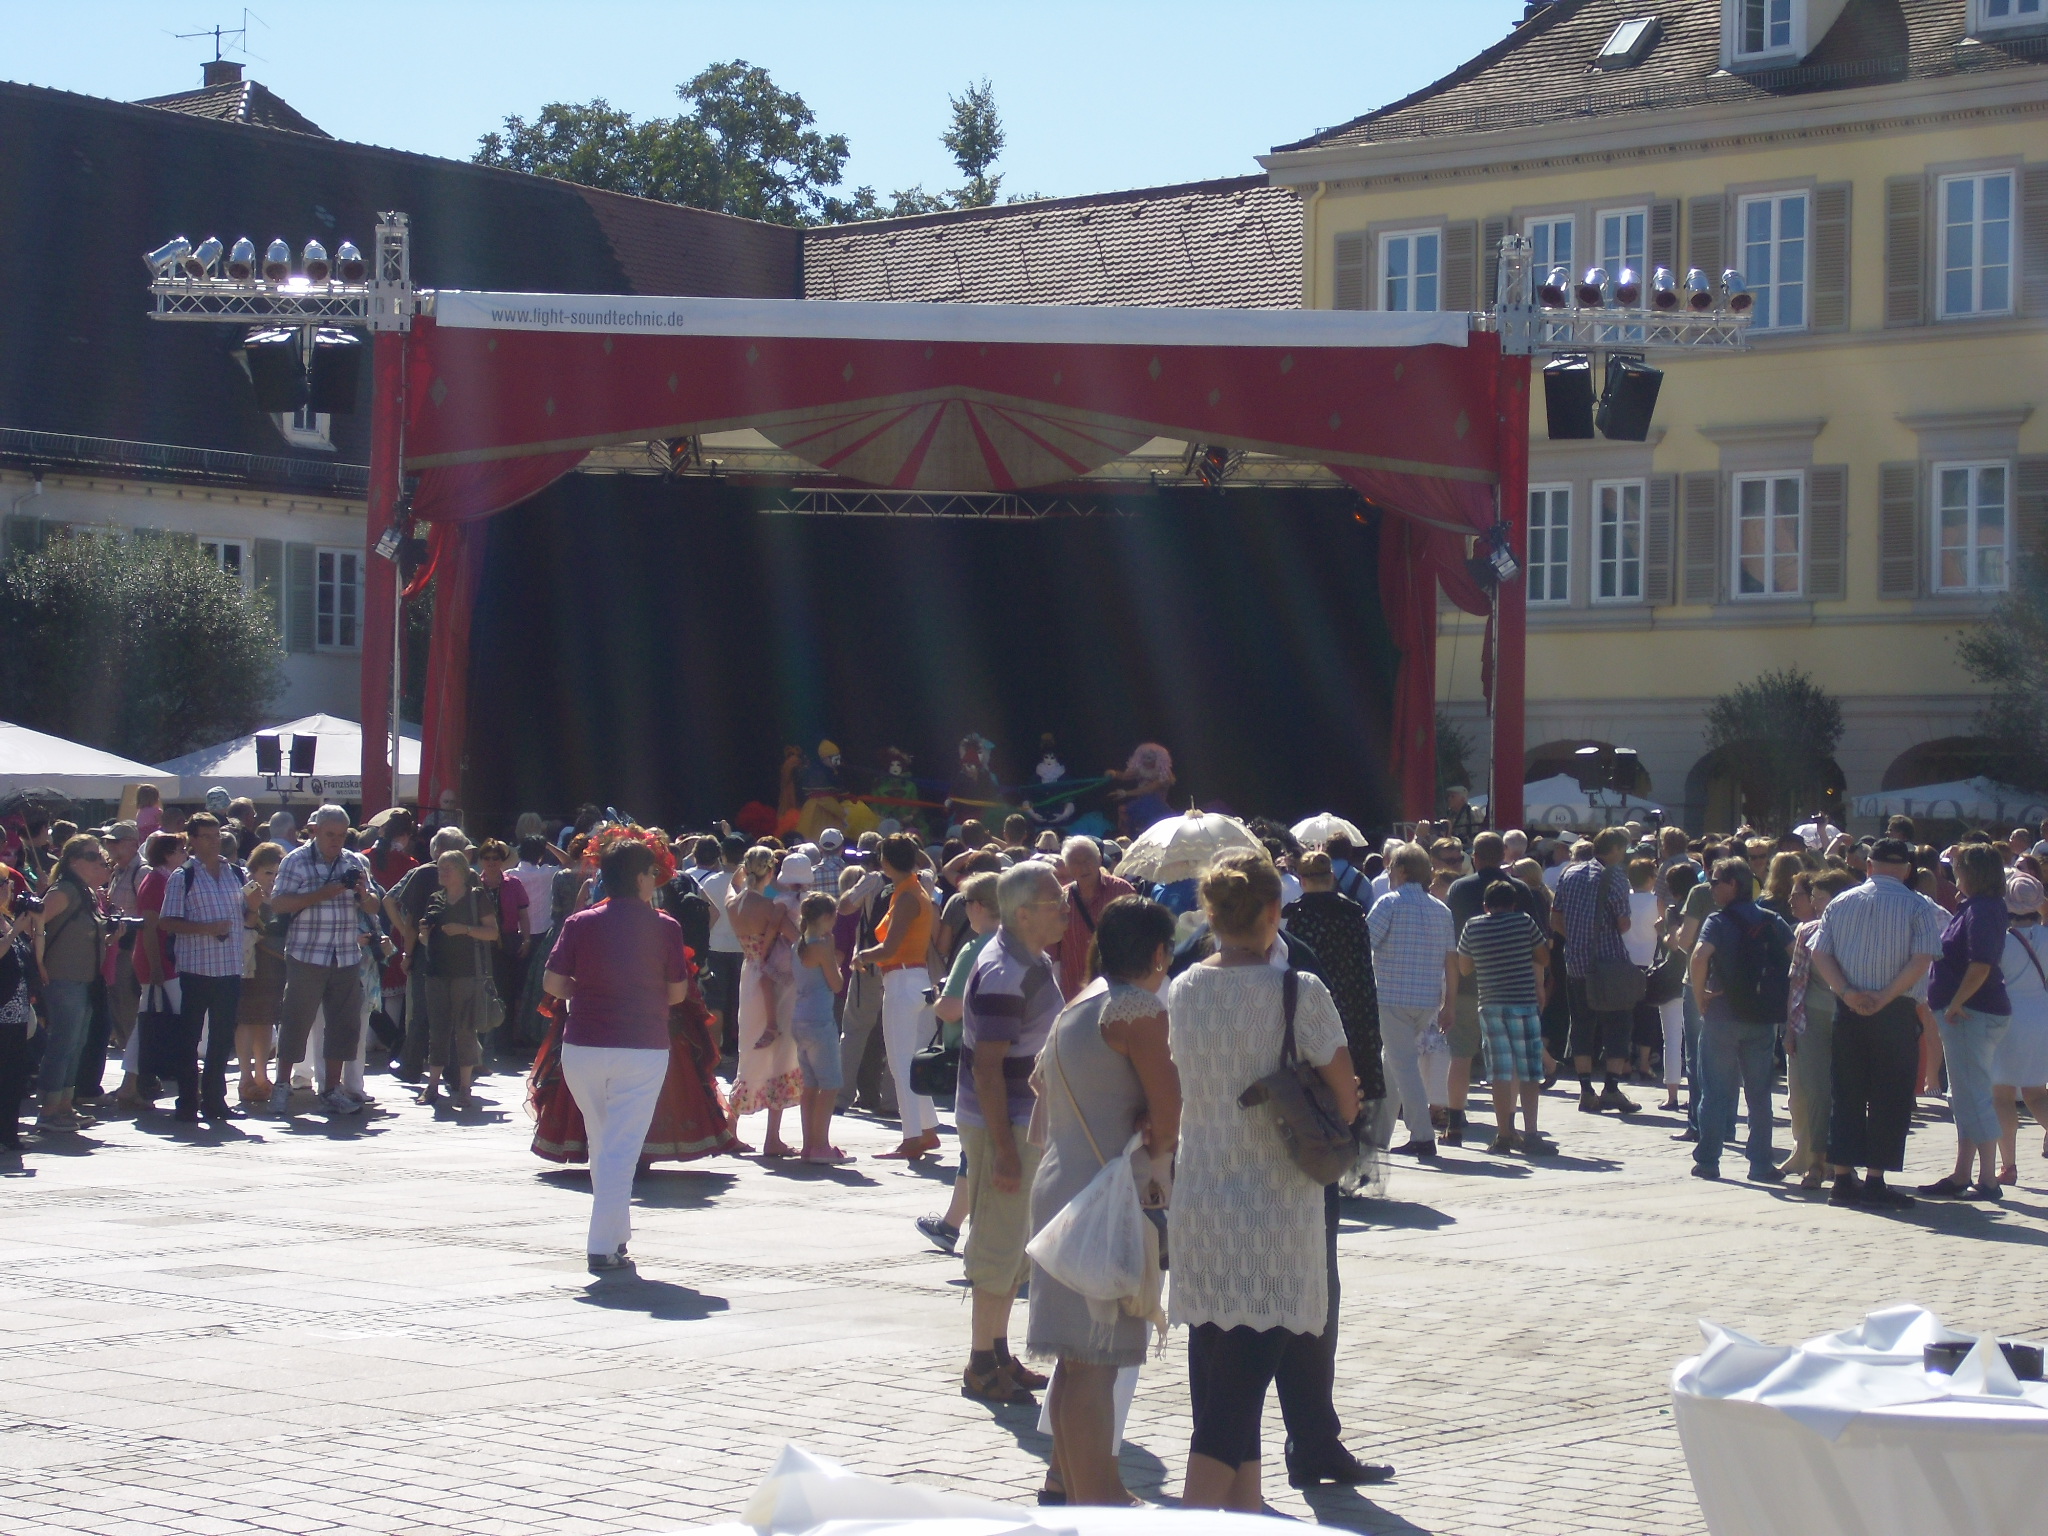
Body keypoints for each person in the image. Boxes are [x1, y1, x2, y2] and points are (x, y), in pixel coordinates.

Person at [1168, 852, 1360, 1512]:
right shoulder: (1297, 990)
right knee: (1231, 1406)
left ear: (1211, 914)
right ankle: (1194, 1522)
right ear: (1274, 912)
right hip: (1272, 1206)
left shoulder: (1183, 988)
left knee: (1220, 1387)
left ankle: (1243, 1518)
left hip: (1201, 1197)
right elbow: (1346, 1097)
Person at [1027, 895, 1180, 1507]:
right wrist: (1159, 1134)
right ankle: (1095, 1501)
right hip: (1107, 1195)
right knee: (1097, 1357)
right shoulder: (1137, 1009)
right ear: (1159, 952)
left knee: (1076, 1359)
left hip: (1062, 1185)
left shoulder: (1078, 1004)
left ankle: (1086, 1487)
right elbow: (1169, 1111)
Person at [542, 831, 691, 1273]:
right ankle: (602, 1245)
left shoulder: (580, 922)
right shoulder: (664, 926)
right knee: (620, 1149)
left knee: (604, 1142)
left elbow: (552, 983)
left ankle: (616, 1235)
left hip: (583, 1045)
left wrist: (586, 989)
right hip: (641, 1046)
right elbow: (678, 992)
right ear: (642, 877)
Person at [956, 859, 1068, 1406]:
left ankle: (997, 1354)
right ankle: (981, 1363)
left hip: (1022, 1122)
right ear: (1024, 913)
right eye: (1055, 901)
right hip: (1005, 1124)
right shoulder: (1005, 972)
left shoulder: (1030, 959)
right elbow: (987, 1069)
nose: (1065, 909)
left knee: (1014, 1243)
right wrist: (1003, 1149)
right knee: (998, 1244)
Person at [1806, 837, 1946, 1210]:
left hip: (1848, 1007)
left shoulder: (1841, 902)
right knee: (1890, 1095)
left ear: (1869, 866)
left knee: (1846, 1091)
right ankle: (1875, 1179)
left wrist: (1847, 991)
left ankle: (1842, 1176)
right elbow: (1922, 958)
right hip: (1895, 1009)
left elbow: (1819, 953)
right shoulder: (1917, 905)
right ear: (1907, 869)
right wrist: (1885, 996)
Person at [267, 805, 383, 1117]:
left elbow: (374, 906)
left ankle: (332, 1089)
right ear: (315, 831)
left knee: (343, 1026)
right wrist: (325, 892)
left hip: (345, 955)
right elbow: (278, 903)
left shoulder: (354, 862)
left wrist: (363, 894)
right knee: (296, 1021)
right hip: (306, 953)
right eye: (330, 834)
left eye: (341, 835)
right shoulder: (296, 861)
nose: (336, 841)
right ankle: (282, 1085)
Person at [1687, 859, 1793, 1183]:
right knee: (1759, 1094)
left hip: (1722, 1014)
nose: (1711, 887)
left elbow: (1699, 957)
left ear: (1733, 884)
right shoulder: (1772, 920)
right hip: (1761, 1017)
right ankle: (1760, 1163)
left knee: (1714, 1092)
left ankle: (1708, 1160)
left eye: (1716, 881)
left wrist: (1700, 996)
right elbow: (1796, 957)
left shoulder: (1717, 921)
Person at [1919, 840, 2012, 1201]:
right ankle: (1963, 1172)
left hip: (1972, 1013)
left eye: (1958, 868)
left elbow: (1981, 963)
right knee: (1965, 1094)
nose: (1953, 873)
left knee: (1973, 1095)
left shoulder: (1983, 909)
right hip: (1972, 1012)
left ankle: (1987, 1179)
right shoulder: (1977, 906)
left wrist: (1956, 1003)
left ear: (1971, 873)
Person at [916, 870, 1002, 1254]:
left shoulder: (976, 948)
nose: (964, 909)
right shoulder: (1020, 946)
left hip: (975, 1055)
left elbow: (951, 1009)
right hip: (1015, 1055)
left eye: (965, 902)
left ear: (979, 906)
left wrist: (936, 998)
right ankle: (953, 1225)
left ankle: (965, 1232)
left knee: (975, 1143)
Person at [1442, 832, 1538, 1145]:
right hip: (1511, 986)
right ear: (1503, 855)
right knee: (1511, 1061)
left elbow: (1451, 939)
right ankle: (1508, 1125)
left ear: (1476, 858)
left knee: (1460, 1055)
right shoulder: (1520, 889)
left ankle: (1454, 1124)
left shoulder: (1459, 888)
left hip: (1467, 983)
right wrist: (1539, 984)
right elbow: (1536, 945)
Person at [156, 812, 249, 1122]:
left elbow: (249, 918)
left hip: (229, 968)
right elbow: (167, 921)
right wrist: (206, 929)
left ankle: (214, 1099)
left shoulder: (236, 873)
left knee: (222, 1040)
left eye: (217, 836)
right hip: (196, 968)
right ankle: (187, 1099)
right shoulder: (183, 876)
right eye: (206, 837)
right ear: (192, 840)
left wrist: (255, 908)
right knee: (189, 1038)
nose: (213, 842)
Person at [1366, 842, 1456, 1160]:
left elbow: (1365, 943)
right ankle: (1378, 1134)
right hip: (1427, 1000)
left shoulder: (1388, 903)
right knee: (1392, 1062)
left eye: (1391, 867)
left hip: (1392, 997)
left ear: (1402, 871)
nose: (1389, 873)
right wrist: (1449, 1004)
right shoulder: (1441, 910)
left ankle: (1422, 1136)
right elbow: (1451, 960)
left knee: (1402, 1065)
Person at [856, 833, 940, 1160]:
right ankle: (926, 1130)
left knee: (901, 1063)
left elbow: (889, 948)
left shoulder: (906, 896)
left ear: (886, 861)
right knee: (911, 1061)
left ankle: (912, 1137)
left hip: (902, 980)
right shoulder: (913, 891)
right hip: (915, 979)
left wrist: (862, 956)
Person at [1457, 879, 1552, 1155]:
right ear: (1513, 904)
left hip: (1490, 1005)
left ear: (1485, 905)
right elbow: (1544, 957)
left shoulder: (1473, 926)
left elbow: (1464, 968)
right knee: (1529, 1072)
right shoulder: (1523, 922)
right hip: (1523, 1003)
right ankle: (1531, 1133)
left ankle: (1503, 1135)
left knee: (1499, 1073)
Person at [1553, 827, 1640, 1115]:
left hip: (1576, 962)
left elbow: (1555, 919)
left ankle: (1585, 1089)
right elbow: (1623, 923)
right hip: (1609, 962)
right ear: (1614, 849)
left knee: (1581, 1025)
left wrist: (1578, 938)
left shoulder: (1569, 873)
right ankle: (1611, 1087)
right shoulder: (1614, 876)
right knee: (1618, 1023)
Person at [32, 834, 111, 1132]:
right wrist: (39, 962)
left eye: (100, 856)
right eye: (92, 857)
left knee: (76, 1043)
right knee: (63, 1043)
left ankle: (65, 1104)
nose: (99, 862)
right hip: (63, 977)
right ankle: (49, 1109)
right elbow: (32, 923)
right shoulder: (64, 890)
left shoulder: (86, 892)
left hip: (84, 979)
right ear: (74, 861)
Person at [726, 846, 803, 1155]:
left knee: (749, 1051)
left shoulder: (733, 904)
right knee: (780, 1051)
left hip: (749, 975)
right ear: (771, 871)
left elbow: (733, 883)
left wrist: (743, 872)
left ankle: (731, 1129)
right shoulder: (772, 907)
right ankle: (773, 1137)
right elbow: (798, 940)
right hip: (775, 978)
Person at [1783, 869, 1855, 1188]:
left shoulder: (1857, 930)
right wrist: (1790, 1028)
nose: (1815, 904)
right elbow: (1797, 981)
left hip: (1850, 1017)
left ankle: (1843, 1164)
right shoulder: (1807, 930)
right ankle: (1815, 1162)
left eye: (1821, 898)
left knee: (1847, 1091)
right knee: (1815, 1090)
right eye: (1814, 897)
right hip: (1812, 1018)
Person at [419, 849, 499, 1110]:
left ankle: (465, 1087)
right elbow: (425, 939)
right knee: (437, 1030)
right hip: (436, 971)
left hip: (467, 972)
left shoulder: (476, 897)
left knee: (465, 1029)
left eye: (448, 868)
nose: (442, 873)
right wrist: (424, 933)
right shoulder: (435, 899)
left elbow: (492, 932)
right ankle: (432, 1085)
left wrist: (464, 930)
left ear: (462, 872)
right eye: (440, 868)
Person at [1993, 872, 2048, 1186]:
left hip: (2008, 1017)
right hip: (2042, 1016)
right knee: (2036, 1093)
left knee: (2001, 1094)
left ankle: (2008, 1167)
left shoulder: (2001, 939)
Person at [791, 889, 850, 1163]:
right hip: (819, 1019)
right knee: (830, 1085)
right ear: (826, 917)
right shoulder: (821, 947)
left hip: (799, 1018)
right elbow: (837, 984)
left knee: (810, 1085)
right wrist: (835, 959)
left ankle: (810, 1145)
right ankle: (821, 1146)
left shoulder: (798, 944)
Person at [234, 842, 287, 1106]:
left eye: (278, 873)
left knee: (266, 1020)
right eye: (268, 872)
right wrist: (256, 908)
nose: (273, 878)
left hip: (274, 965)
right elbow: (244, 926)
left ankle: (262, 1075)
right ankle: (245, 1077)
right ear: (253, 871)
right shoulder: (245, 893)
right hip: (250, 964)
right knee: (246, 1019)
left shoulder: (283, 896)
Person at [1050, 836, 1134, 1002]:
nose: (1083, 867)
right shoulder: (1061, 898)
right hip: (1073, 993)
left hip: (1116, 991)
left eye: (1088, 860)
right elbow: (1052, 948)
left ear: (1099, 860)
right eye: (1075, 862)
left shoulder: (1122, 891)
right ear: (1067, 866)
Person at [0, 874, 39, 1150]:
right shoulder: (10, 926)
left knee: (14, 1076)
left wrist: (37, 926)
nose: (10, 889)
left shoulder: (7, 919)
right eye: (5, 884)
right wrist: (15, 930)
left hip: (17, 1012)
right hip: (2, 1010)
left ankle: (9, 1134)